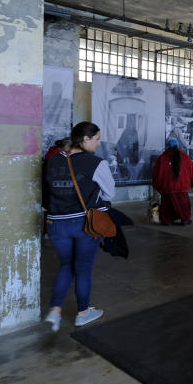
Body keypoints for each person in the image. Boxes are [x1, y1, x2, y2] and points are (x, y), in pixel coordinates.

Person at [42, 121, 115, 332]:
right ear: (85, 139)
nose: (99, 144)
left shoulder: (53, 161)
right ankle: (83, 313)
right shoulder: (95, 163)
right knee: (82, 269)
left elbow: (47, 191)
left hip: (56, 224)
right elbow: (110, 193)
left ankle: (55, 311)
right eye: (97, 139)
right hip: (83, 224)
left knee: (67, 265)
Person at [151, 139, 193, 225]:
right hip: (182, 187)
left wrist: (158, 186)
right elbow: (192, 173)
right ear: (178, 146)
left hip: (167, 188)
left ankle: (168, 221)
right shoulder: (185, 157)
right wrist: (191, 182)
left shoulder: (162, 158)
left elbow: (156, 175)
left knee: (167, 206)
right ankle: (185, 220)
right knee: (183, 206)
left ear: (167, 147)